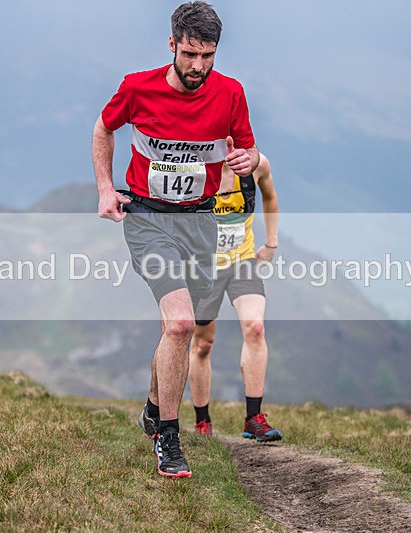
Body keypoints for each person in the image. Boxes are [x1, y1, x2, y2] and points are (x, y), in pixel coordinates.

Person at [92, 1, 258, 478]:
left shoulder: (230, 94)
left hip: (200, 222)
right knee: (182, 324)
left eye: (208, 56)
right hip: (148, 218)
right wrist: (106, 188)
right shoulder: (138, 87)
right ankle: (168, 437)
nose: (198, 67)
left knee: (179, 328)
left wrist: (247, 159)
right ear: (172, 45)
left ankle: (151, 405)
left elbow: (246, 146)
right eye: (189, 54)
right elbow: (104, 127)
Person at [189, 154, 283, 442]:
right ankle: (202, 421)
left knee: (255, 327)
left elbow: (270, 196)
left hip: (243, 263)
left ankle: (254, 417)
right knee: (203, 344)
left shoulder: (257, 165)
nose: (229, 144)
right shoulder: (196, 168)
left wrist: (271, 243)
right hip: (203, 268)